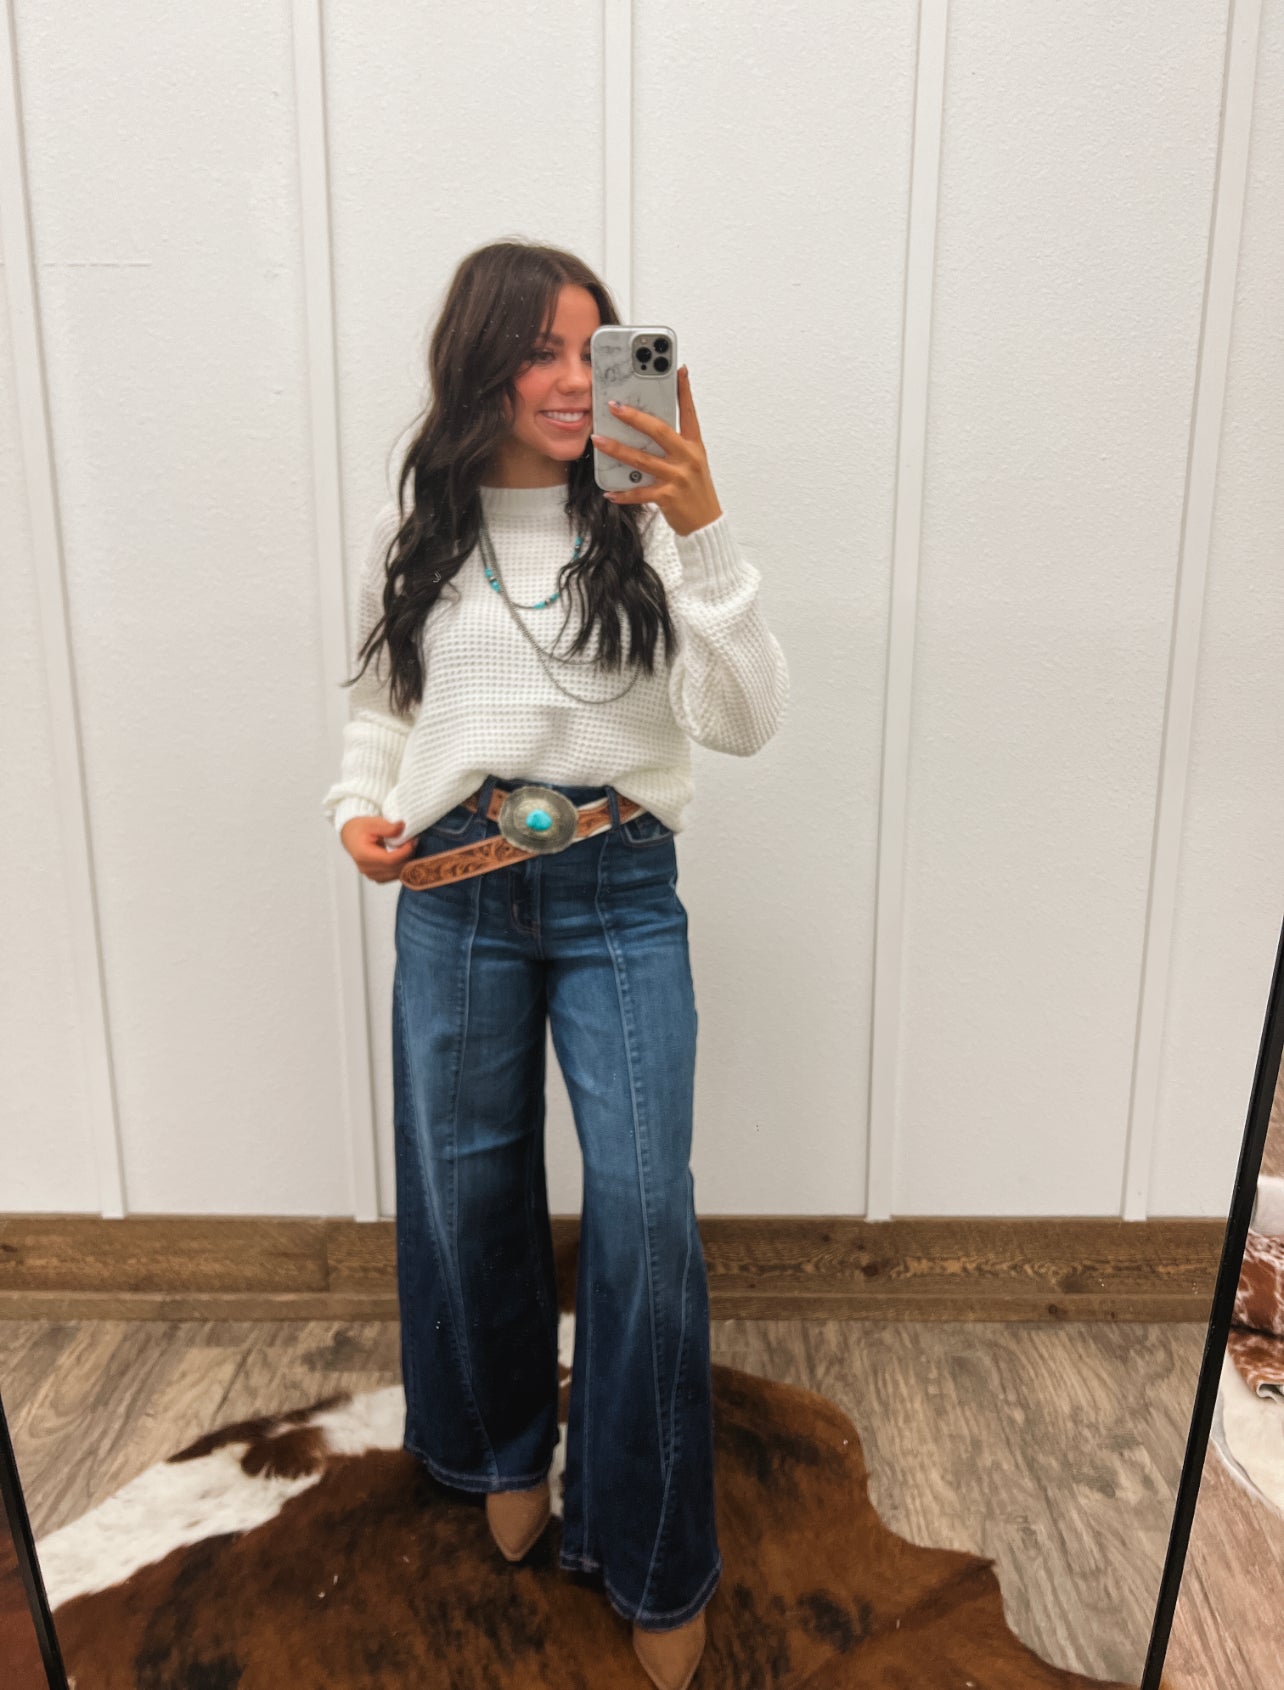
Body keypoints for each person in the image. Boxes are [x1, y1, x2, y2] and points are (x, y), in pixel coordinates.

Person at [321, 239, 789, 1690]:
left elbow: (747, 718)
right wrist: (355, 807)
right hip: (455, 887)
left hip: (618, 889)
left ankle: (652, 1544)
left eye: (596, 349)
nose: (577, 379)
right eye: (541, 350)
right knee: (467, 1188)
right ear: (481, 366)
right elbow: (383, 712)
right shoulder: (421, 530)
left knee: (644, 1208)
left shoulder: (647, 527)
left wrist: (701, 524)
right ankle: (500, 1445)